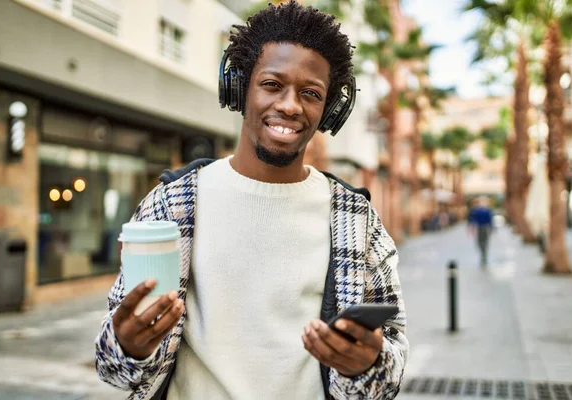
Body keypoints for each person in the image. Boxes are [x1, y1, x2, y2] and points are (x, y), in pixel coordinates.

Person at [94, 2, 408, 399]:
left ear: (329, 109)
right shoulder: (171, 203)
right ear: (240, 88)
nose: (290, 105)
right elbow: (113, 369)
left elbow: (392, 367)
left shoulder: (355, 219)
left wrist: (366, 364)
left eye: (310, 93)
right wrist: (129, 347)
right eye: (272, 85)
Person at [468, 196, 494, 267]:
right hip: (479, 228)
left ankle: (484, 255)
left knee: (484, 242)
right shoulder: (477, 211)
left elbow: (490, 221)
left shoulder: (487, 211)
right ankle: (483, 254)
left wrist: (491, 228)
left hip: (484, 228)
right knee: (480, 242)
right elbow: (472, 220)